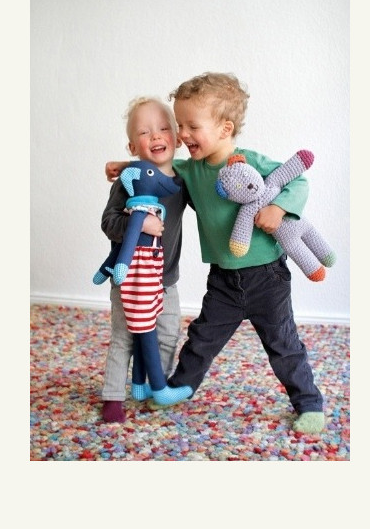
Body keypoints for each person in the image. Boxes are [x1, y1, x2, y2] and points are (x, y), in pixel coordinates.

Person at [106, 73, 325, 434]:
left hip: (266, 276)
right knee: (202, 338)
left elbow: (297, 180)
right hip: (223, 279)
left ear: (225, 129)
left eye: (192, 126)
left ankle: (309, 402)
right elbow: (155, 167)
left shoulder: (248, 161)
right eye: (179, 125)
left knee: (283, 344)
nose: (182, 135)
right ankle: (180, 386)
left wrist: (279, 208)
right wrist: (126, 166)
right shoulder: (190, 171)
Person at [97, 96, 191, 423]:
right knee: (124, 338)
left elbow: (205, 177)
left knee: (167, 334)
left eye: (164, 128)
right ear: (132, 147)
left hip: (166, 281)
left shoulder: (182, 181)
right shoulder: (127, 186)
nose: (155, 136)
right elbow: (108, 223)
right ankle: (112, 395)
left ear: (177, 138)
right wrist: (139, 224)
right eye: (144, 132)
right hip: (130, 280)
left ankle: (154, 385)